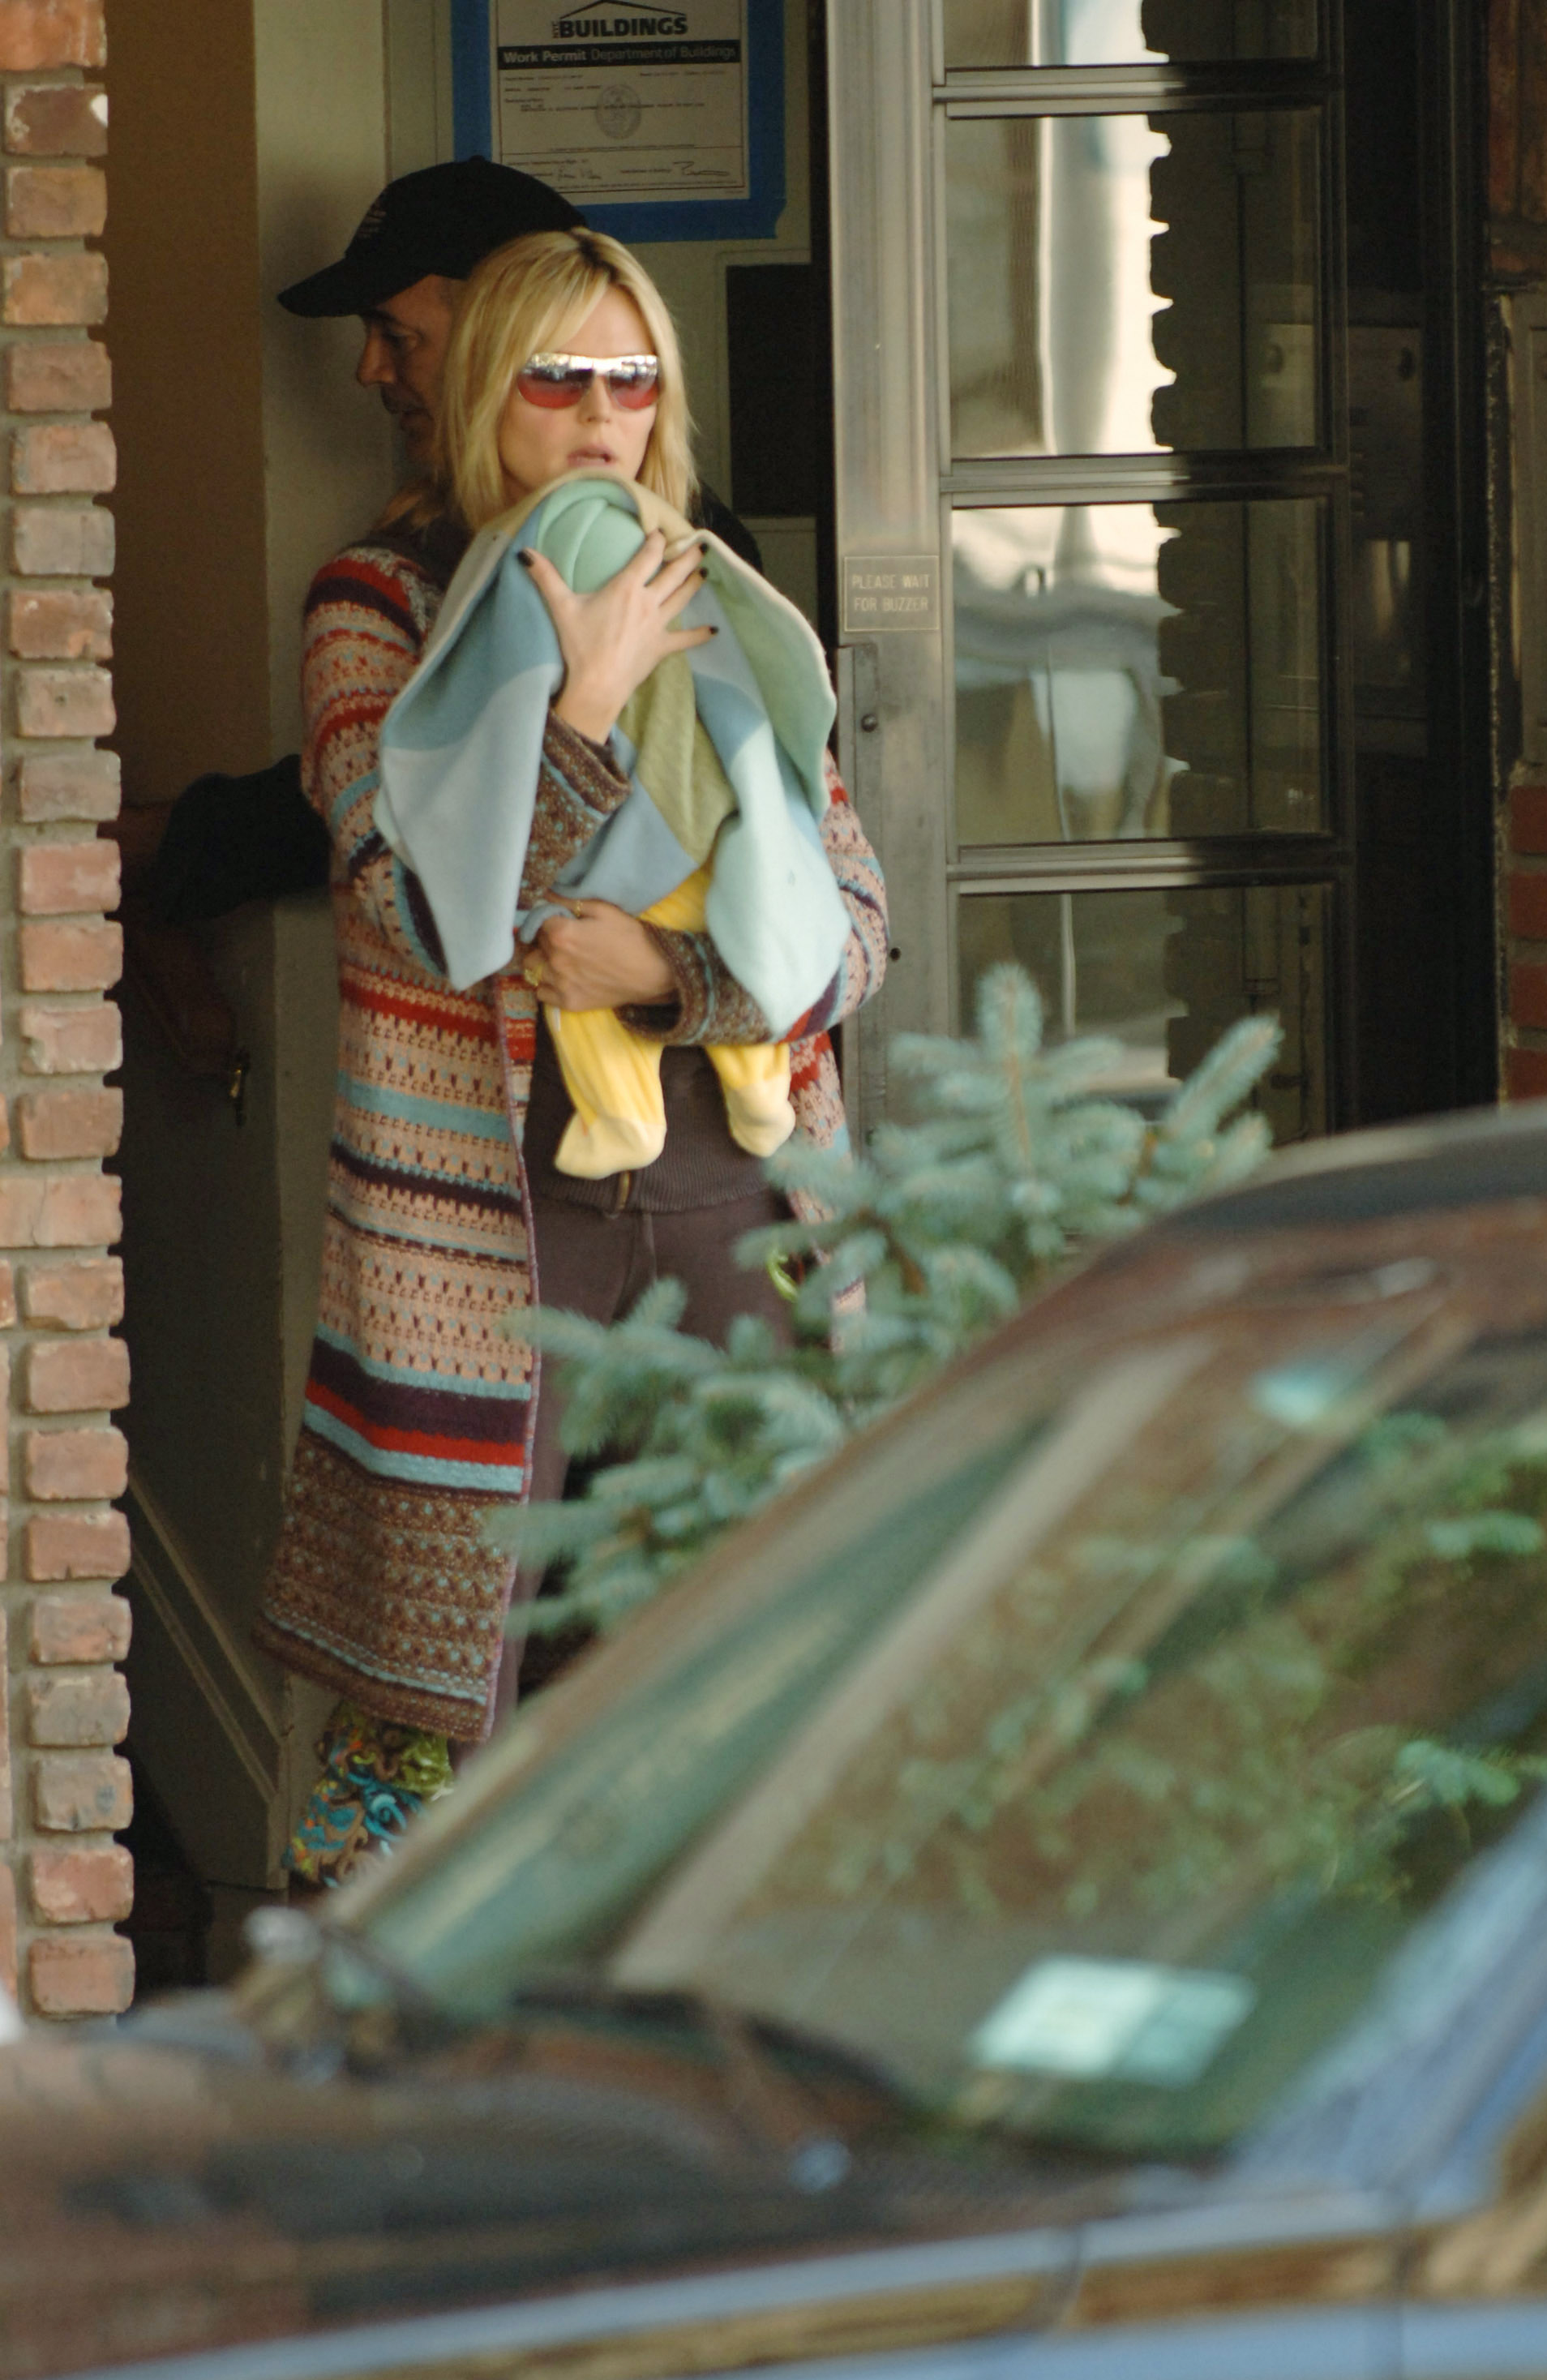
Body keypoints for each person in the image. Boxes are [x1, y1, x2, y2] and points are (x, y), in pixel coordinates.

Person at [254, 227, 888, 1893]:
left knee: (739, 1648)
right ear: (486, 393)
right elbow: (409, 910)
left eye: (634, 377)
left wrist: (673, 974)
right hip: (486, 1219)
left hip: (735, 1187)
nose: (602, 414)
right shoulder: (375, 604)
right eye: (559, 377)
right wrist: (585, 722)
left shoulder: (718, 592)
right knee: (443, 1700)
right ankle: (392, 2072)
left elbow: (854, 920)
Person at [145, 157, 764, 924]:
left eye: (398, 337)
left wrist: (664, 977)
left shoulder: (701, 565)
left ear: (494, 335)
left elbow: (809, 875)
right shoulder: (388, 583)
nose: (368, 369)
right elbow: (397, 836)